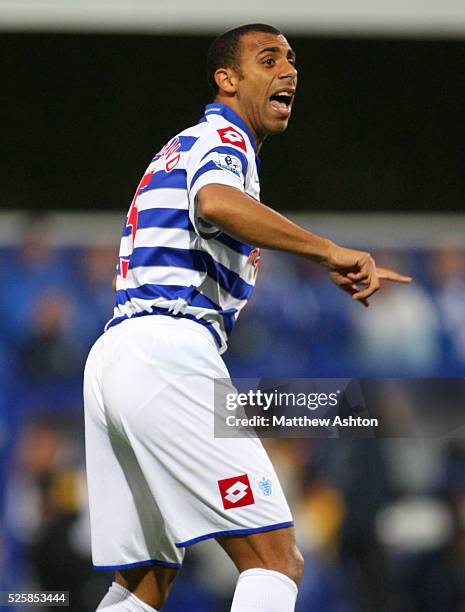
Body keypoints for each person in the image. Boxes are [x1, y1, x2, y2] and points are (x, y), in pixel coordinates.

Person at [83, 23, 411, 612]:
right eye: (269, 59)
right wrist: (329, 249)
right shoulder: (222, 138)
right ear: (227, 79)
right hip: (167, 351)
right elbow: (215, 201)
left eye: (291, 60)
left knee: (143, 581)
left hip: (115, 357)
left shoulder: (185, 144)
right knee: (276, 558)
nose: (288, 71)